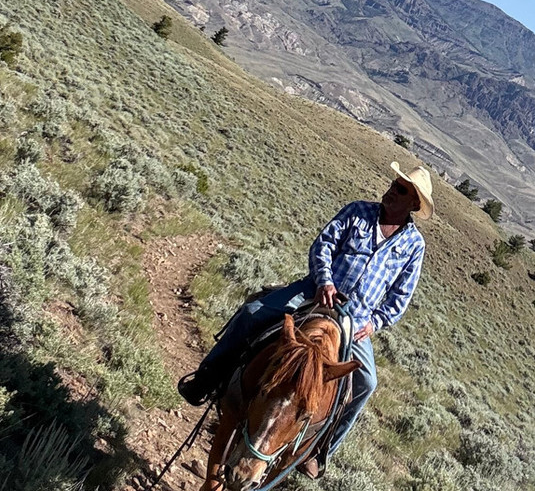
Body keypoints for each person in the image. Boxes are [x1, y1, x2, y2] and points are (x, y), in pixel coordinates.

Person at [177, 161, 431, 477]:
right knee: (253, 314)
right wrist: (325, 280)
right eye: (395, 184)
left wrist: (374, 323)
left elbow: (400, 298)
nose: (392, 190)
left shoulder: (413, 246)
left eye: (402, 189)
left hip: (354, 319)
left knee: (366, 384)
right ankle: (207, 378)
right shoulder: (357, 211)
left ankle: (321, 451)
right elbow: (323, 245)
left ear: (414, 204)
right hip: (314, 292)